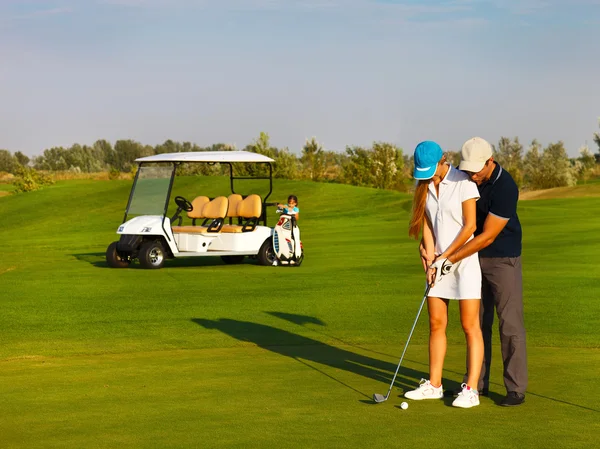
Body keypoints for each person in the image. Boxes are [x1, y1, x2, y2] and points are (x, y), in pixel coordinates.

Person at [429, 137, 527, 407]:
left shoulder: (506, 187)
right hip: (471, 260)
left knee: (509, 323)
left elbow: (486, 236)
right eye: (468, 169)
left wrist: (448, 259)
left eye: (477, 170)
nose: (472, 174)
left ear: (490, 162)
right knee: (476, 323)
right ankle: (475, 384)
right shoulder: (466, 178)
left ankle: (515, 387)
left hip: (502, 258)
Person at [404, 141, 484, 409]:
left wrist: (445, 258)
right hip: (438, 263)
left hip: (464, 262)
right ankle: (434, 385)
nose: (428, 177)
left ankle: (471, 390)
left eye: (432, 171)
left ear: (443, 160)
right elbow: (426, 222)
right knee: (436, 323)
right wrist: (428, 254)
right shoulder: (425, 187)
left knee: (469, 325)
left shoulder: (463, 182)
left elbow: (470, 226)